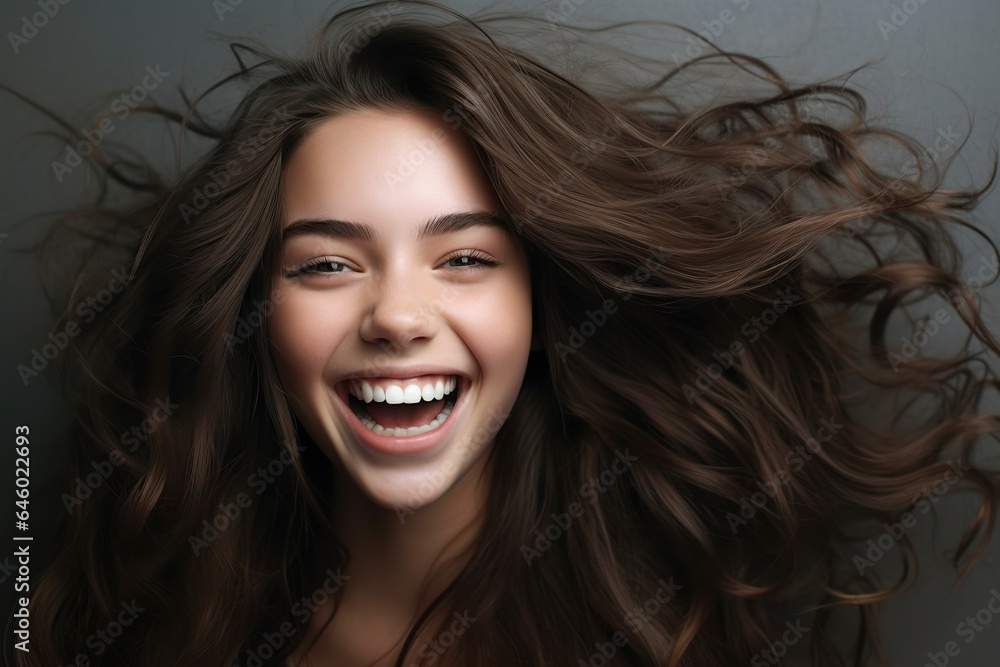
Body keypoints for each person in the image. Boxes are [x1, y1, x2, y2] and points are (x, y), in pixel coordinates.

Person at [9, 1, 1000, 665]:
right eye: (326, 262)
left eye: (466, 258)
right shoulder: (173, 632)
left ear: (541, 303)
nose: (396, 315)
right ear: (256, 314)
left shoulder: (661, 627)